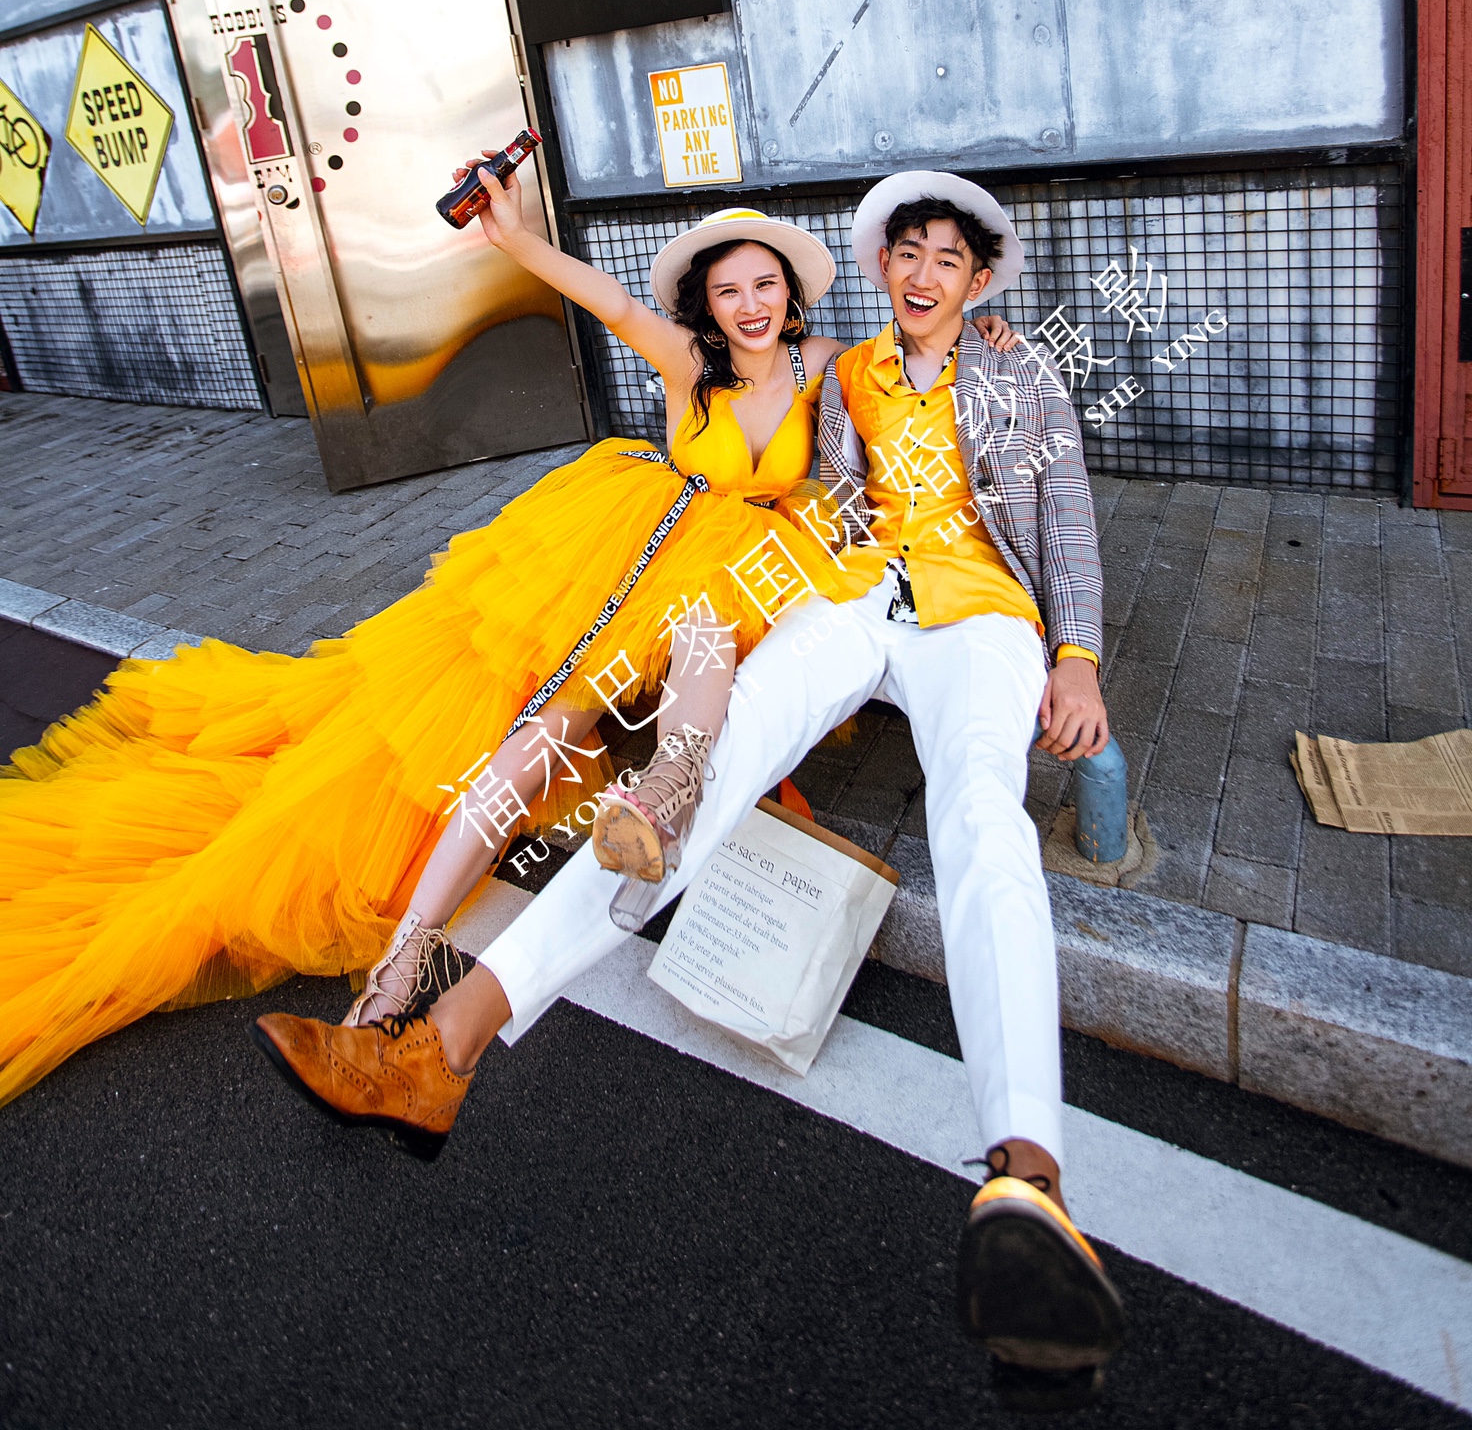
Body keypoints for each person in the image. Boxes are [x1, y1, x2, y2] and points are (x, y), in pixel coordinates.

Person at [252, 171, 1126, 1417]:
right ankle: (436, 1052)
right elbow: (795, 469)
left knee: (982, 820)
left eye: (949, 260)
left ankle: (1026, 1179)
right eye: (907, 255)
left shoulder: (1020, 372)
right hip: (848, 598)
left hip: (978, 620)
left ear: (980, 280)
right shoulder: (849, 372)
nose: (924, 275)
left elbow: (1069, 520)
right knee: (691, 785)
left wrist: (1075, 654)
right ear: (882, 269)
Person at [0, 179, 864, 1103]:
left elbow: (896, 411)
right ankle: (395, 976)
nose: (749, 306)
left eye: (764, 285)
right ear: (706, 304)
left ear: (790, 292)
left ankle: (666, 791)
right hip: (629, 562)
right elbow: (605, 298)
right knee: (539, 739)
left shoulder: (825, 364)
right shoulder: (689, 362)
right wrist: (514, 235)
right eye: (729, 290)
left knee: (707, 622)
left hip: (740, 576)